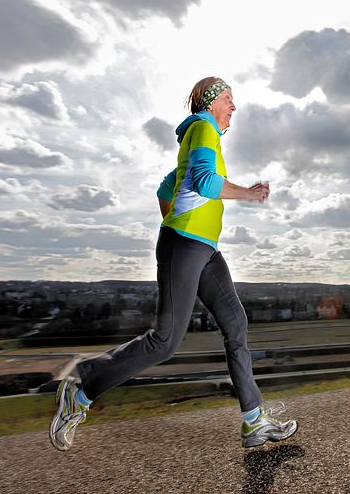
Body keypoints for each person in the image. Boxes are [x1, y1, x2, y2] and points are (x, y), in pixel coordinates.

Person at [50, 77, 298, 451]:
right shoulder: (203, 129)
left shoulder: (197, 139)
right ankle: (81, 389)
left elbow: (166, 189)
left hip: (205, 251)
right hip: (184, 246)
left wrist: (179, 220)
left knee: (235, 324)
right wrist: (246, 194)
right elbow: (204, 182)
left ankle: (254, 421)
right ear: (211, 103)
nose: (234, 107)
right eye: (229, 99)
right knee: (165, 341)